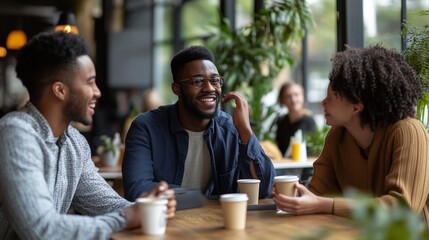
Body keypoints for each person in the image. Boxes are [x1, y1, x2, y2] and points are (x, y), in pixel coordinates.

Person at [0, 31, 176, 240]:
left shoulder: (75, 143)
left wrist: (148, 206)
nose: (98, 92)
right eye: (90, 82)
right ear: (60, 90)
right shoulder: (15, 133)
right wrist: (127, 217)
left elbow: (105, 204)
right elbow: (40, 229)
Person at [272, 45, 429, 227]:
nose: (323, 103)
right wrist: (296, 198)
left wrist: (327, 205)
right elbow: (319, 193)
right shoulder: (337, 136)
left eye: (330, 98)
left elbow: (402, 210)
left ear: (356, 107)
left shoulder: (408, 132)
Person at [122, 45, 276, 201]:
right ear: (177, 89)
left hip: (215, 223)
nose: (209, 88)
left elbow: (264, 189)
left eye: (215, 80)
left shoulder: (229, 129)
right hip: (163, 222)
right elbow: (138, 190)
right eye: (198, 81)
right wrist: (199, 198)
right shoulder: (146, 128)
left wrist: (245, 130)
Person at [275, 82, 317, 156]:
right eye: (288, 96)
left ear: (303, 97)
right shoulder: (281, 122)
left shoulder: (309, 122)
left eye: (296, 95)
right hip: (284, 165)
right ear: (282, 100)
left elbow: (312, 151)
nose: (293, 99)